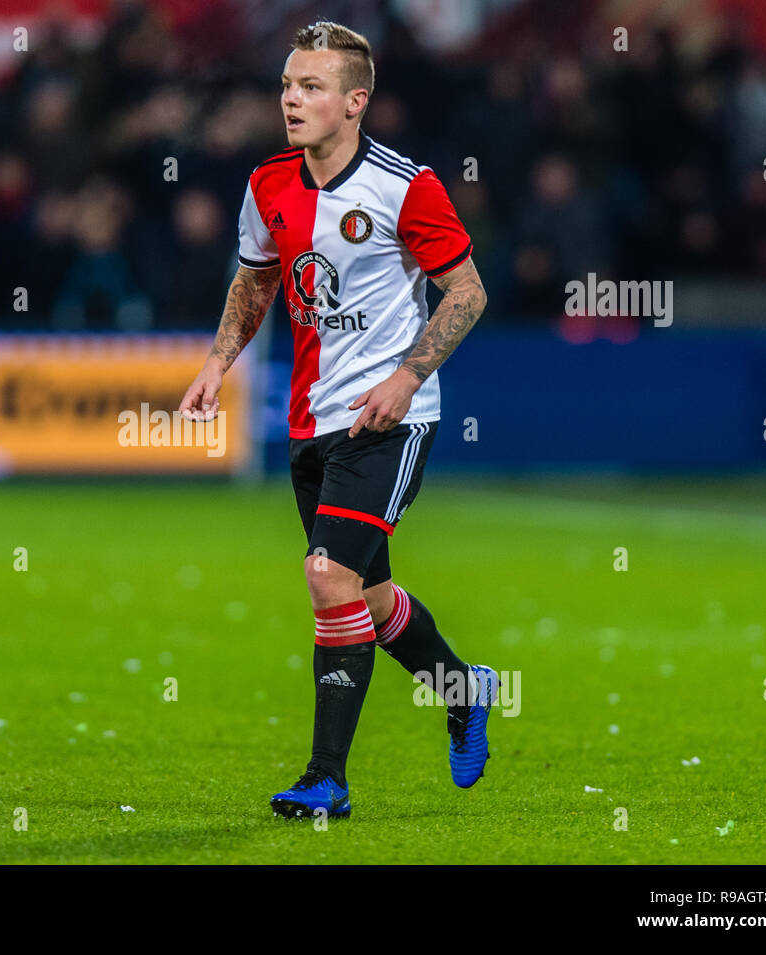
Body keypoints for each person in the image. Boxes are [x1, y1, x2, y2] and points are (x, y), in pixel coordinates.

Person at [178, 21, 498, 819]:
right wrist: (218, 364)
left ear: (355, 102)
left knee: (327, 577)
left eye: (311, 87)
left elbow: (467, 291)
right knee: (370, 591)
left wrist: (407, 374)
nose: (291, 99)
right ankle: (463, 690)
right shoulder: (267, 185)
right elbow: (254, 285)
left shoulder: (404, 186)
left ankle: (327, 777)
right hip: (310, 418)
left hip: (392, 417)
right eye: (288, 84)